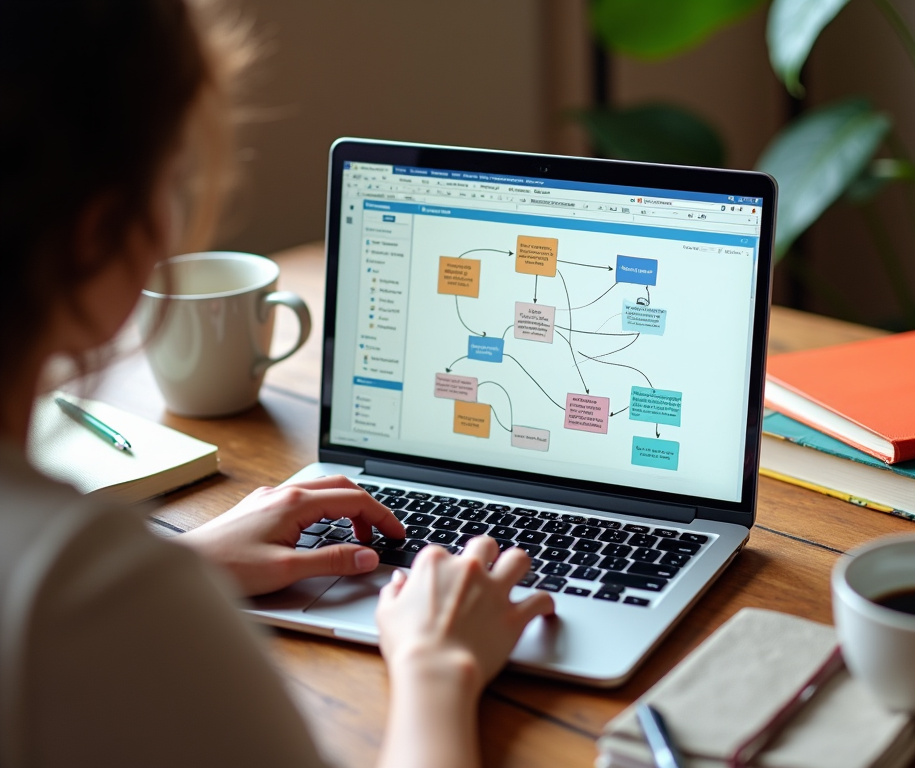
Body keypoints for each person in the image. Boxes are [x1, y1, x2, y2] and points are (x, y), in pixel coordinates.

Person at [0, 2, 555, 767]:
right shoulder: (76, 592)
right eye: (173, 181)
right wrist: (436, 670)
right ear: (97, 234)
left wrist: (186, 564)